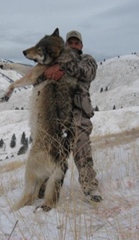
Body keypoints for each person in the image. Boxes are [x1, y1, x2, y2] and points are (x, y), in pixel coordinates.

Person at [43, 30, 102, 202]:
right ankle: (43, 190)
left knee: (82, 148)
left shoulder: (87, 60)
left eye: (77, 43)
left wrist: (62, 67)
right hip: (57, 115)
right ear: (66, 45)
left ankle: (90, 187)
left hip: (78, 113)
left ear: (81, 46)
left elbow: (86, 73)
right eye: (71, 43)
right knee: (49, 152)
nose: (74, 45)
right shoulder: (56, 61)